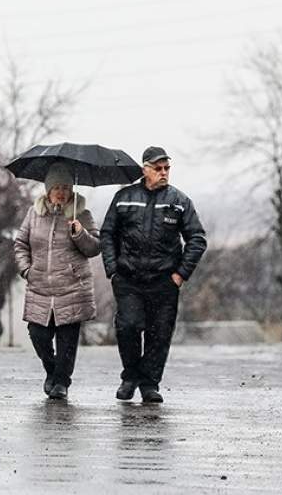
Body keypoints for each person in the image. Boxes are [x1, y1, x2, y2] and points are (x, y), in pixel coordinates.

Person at [100, 146, 207, 404]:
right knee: (128, 327)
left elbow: (197, 238)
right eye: (158, 168)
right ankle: (129, 378)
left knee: (159, 334)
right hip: (128, 279)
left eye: (167, 168)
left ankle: (149, 384)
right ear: (145, 169)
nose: (163, 173)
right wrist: (112, 269)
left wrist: (181, 274)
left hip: (164, 281)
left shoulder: (179, 201)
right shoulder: (124, 198)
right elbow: (107, 234)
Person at [13, 163, 102, 400]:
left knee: (67, 341)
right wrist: (26, 269)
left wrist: (79, 233)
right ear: (48, 190)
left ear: (72, 190)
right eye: (56, 188)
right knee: (38, 334)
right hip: (40, 286)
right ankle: (52, 371)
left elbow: (94, 248)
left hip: (72, 287)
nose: (61, 192)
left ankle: (62, 382)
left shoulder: (82, 214)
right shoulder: (34, 214)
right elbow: (21, 243)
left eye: (65, 187)